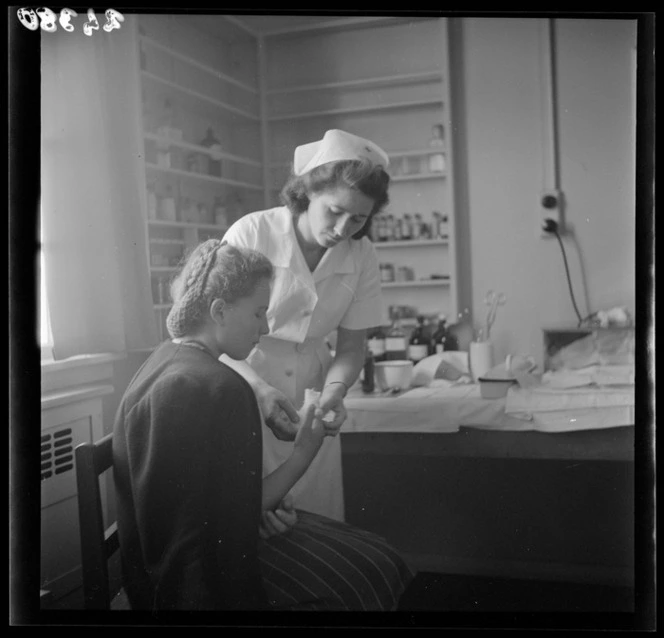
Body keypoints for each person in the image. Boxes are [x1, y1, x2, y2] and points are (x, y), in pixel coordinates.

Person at [112, 240, 413, 611]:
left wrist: (263, 510)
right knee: (376, 568)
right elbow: (230, 519)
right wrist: (304, 452)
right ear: (219, 311)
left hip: (153, 572)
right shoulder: (220, 387)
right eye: (258, 313)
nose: (266, 326)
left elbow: (216, 503)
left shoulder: (167, 361)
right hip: (192, 592)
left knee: (374, 557)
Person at [222, 129, 390, 521]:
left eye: (358, 219)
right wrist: (258, 390)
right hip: (246, 384)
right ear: (308, 191)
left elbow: (350, 347)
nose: (343, 228)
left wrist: (334, 391)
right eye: (335, 210)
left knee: (317, 520)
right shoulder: (253, 233)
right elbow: (215, 338)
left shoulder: (362, 255)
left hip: (313, 399)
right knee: (254, 522)